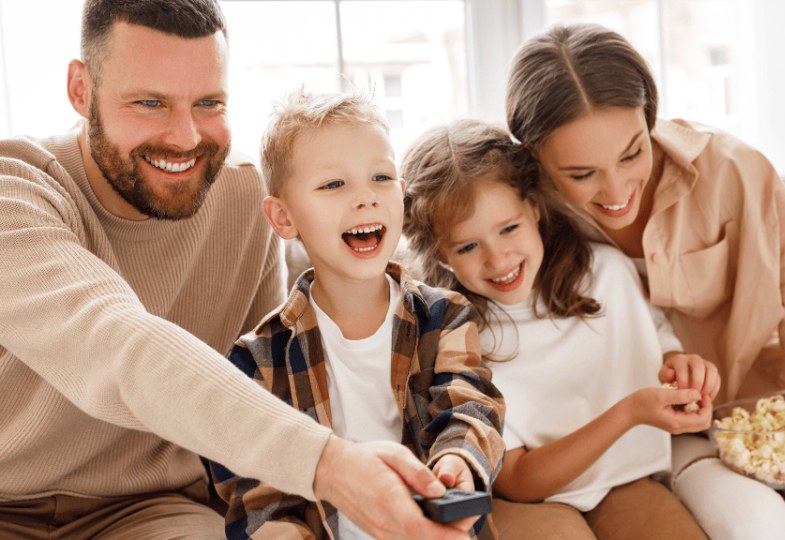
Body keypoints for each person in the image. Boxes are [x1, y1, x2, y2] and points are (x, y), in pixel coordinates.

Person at [0, 2, 482, 539]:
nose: (185, 137)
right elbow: (113, 344)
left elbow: (261, 386)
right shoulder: (15, 190)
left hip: (155, 509)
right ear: (80, 89)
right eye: (150, 102)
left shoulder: (243, 199)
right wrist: (333, 467)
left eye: (209, 102)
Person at [504, 22, 785, 540]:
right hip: (675, 443)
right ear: (536, 160)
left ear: (649, 116)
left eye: (633, 153)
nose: (616, 190)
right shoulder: (526, 224)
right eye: (582, 174)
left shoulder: (734, 172)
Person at [210, 90, 507, 540]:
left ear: (401, 196)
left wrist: (457, 462)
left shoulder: (445, 318)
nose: (366, 198)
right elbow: (254, 495)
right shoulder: (256, 362)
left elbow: (469, 408)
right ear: (284, 218)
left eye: (381, 177)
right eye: (334, 184)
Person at [401, 118, 716, 540]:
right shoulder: (453, 335)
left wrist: (682, 368)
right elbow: (520, 480)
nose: (498, 259)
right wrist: (632, 411)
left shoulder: (608, 274)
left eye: (509, 228)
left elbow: (658, 343)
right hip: (522, 501)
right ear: (440, 253)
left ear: (535, 208)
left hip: (626, 480)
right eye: (468, 246)